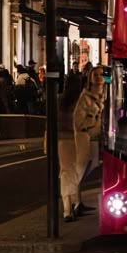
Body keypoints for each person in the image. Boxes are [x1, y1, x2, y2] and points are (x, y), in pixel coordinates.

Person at [72, 64, 106, 213]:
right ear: (90, 78)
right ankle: (75, 201)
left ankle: (77, 200)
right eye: (96, 75)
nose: (99, 78)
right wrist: (92, 124)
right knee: (82, 167)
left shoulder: (106, 93)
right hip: (86, 136)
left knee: (92, 164)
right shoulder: (85, 96)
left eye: (101, 75)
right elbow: (78, 121)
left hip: (97, 136)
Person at [57, 72, 84, 222]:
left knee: (66, 173)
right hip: (76, 139)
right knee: (75, 173)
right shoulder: (79, 101)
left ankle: (69, 207)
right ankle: (74, 205)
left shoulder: (60, 100)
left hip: (62, 141)